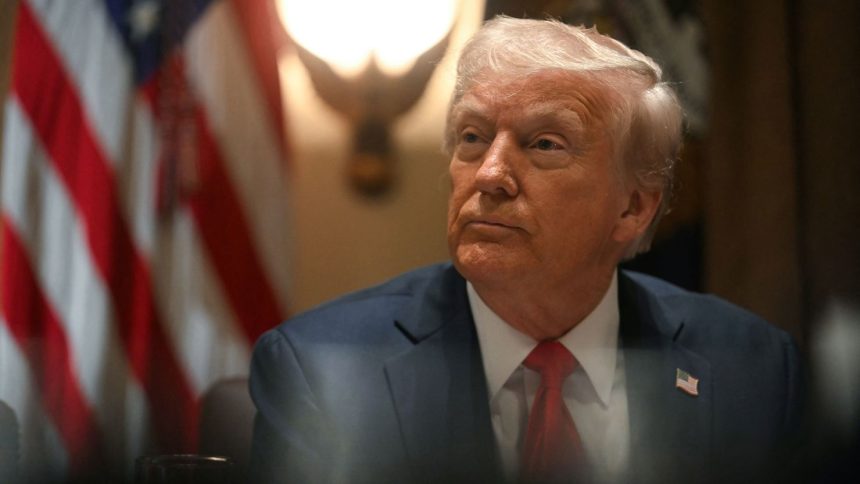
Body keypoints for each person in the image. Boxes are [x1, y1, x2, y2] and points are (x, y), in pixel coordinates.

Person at [249, 16, 803, 484]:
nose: (489, 175)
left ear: (633, 208)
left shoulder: (752, 370)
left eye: (544, 144)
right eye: (472, 137)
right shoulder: (321, 370)